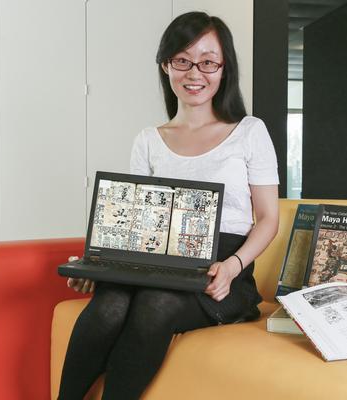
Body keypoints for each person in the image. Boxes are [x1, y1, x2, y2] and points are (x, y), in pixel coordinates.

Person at [58, 11, 279, 400]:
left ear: (224, 68)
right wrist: (99, 261)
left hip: (223, 268)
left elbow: (268, 219)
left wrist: (233, 266)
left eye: (208, 62)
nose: (195, 73)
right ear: (166, 65)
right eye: (182, 60)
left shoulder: (249, 132)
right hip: (156, 259)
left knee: (155, 304)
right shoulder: (149, 139)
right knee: (110, 303)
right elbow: (137, 221)